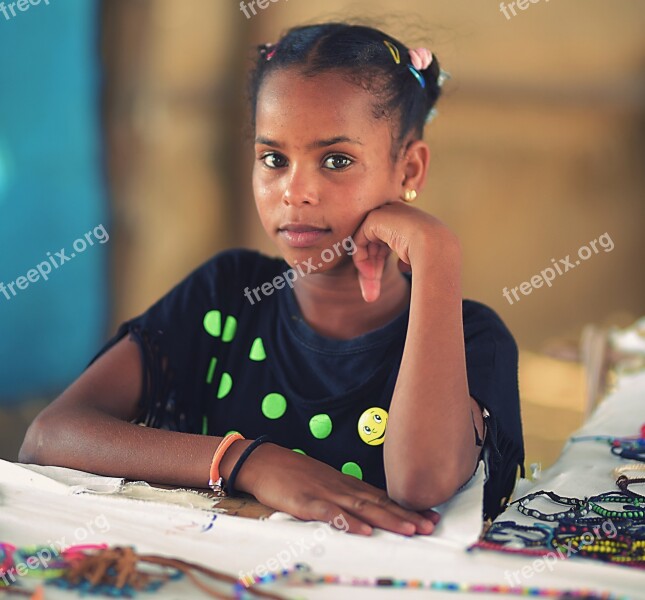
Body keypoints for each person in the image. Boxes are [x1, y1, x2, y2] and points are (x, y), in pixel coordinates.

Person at [19, 22, 525, 536]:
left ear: (410, 170)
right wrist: (250, 462)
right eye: (273, 159)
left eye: (336, 160)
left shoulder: (473, 338)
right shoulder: (227, 295)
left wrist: (437, 253)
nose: (295, 191)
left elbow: (421, 482)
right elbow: (50, 436)